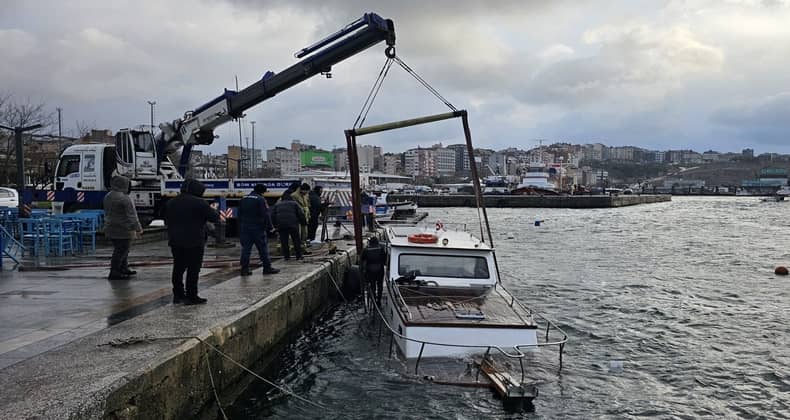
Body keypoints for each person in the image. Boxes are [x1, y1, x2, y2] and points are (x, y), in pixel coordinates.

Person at [165, 179, 220, 305]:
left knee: (178, 268)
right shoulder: (200, 203)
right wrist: (213, 209)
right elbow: (215, 217)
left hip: (175, 240)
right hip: (194, 241)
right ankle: (192, 295)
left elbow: (166, 219)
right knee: (193, 269)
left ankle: (178, 295)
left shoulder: (171, 202)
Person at [103, 175, 143, 280]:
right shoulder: (125, 198)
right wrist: (138, 228)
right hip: (124, 229)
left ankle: (123, 267)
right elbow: (132, 215)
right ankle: (115, 271)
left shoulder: (108, 196)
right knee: (122, 250)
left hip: (110, 227)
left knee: (121, 248)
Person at [238, 184, 280, 276]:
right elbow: (266, 215)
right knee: (263, 249)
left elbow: (239, 214)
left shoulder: (243, 198)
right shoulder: (260, 199)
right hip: (258, 228)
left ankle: (244, 269)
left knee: (246, 249)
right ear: (262, 191)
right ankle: (267, 268)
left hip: (245, 228)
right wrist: (271, 227)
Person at [271, 192, 306, 260]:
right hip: (293, 225)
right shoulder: (294, 204)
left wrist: (275, 225)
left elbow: (272, 215)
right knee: (296, 240)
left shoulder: (277, 204)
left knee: (284, 241)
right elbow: (300, 214)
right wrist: (303, 223)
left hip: (281, 225)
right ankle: (298, 256)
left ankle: (286, 256)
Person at [361, 237, 387, 303]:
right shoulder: (381, 249)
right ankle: (379, 300)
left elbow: (362, 260)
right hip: (380, 270)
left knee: (372, 285)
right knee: (380, 285)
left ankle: (373, 300)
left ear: (370, 243)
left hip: (370, 270)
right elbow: (384, 260)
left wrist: (363, 270)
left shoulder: (366, 250)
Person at [293, 183, 312, 248]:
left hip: (305, 216)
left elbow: (307, 205)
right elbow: (297, 207)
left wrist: (308, 215)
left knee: (305, 233)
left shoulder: (305, 195)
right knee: (299, 233)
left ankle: (303, 246)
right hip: (298, 217)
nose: (307, 192)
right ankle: (299, 247)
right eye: (306, 191)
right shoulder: (294, 196)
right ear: (303, 190)